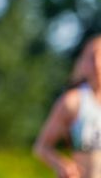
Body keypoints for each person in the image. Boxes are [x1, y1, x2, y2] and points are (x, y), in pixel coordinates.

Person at [34, 35, 101, 178]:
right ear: (82, 64)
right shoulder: (73, 101)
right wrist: (62, 164)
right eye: (91, 57)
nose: (96, 63)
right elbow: (41, 147)